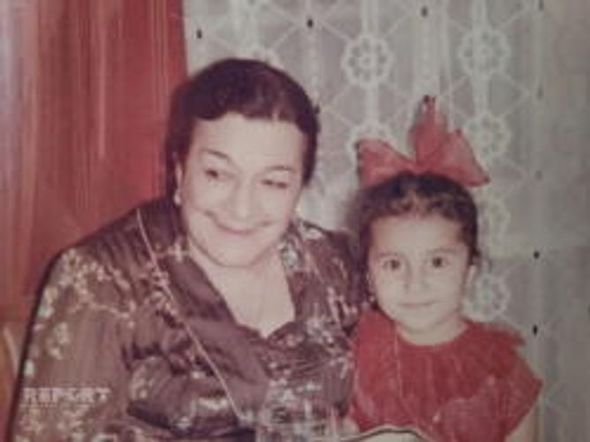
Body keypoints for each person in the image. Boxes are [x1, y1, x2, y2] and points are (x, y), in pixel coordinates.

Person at [9, 58, 364, 441]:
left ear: (299, 189)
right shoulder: (102, 278)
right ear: (179, 170)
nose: (242, 208)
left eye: (273, 182)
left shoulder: (332, 264)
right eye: (217, 174)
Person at [346, 97, 542, 442]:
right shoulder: (359, 359)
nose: (415, 283)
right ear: (369, 278)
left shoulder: (502, 374)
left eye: (437, 262)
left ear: (470, 271)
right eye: (393, 264)